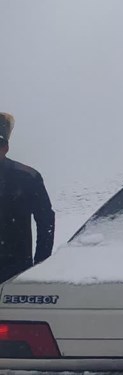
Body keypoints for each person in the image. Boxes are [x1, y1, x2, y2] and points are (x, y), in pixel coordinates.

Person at [0, 112, 55, 284]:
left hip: (14, 273)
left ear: (6, 147)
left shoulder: (27, 177)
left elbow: (46, 220)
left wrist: (40, 265)